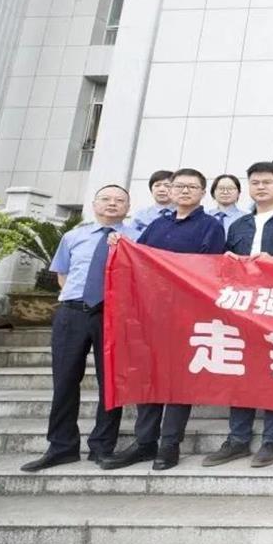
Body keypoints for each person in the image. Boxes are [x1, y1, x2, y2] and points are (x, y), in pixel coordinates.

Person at [101, 168, 226, 471]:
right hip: (150, 314)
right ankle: (144, 443)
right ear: (170, 190)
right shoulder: (157, 224)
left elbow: (210, 270)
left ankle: (170, 444)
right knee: (149, 376)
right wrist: (120, 244)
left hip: (186, 315)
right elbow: (137, 257)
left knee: (179, 382)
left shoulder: (211, 227)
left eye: (192, 187)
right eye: (179, 186)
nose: (185, 191)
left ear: (202, 193)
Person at [203, 162, 273, 469]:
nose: (261, 187)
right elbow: (220, 267)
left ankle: (272, 440)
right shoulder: (238, 225)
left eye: (267, 182)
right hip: (242, 308)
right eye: (255, 182)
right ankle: (237, 439)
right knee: (240, 370)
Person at [21, 185, 137, 472]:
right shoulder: (73, 236)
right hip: (72, 313)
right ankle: (61, 447)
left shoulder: (135, 239)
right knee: (64, 380)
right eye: (106, 199)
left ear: (127, 208)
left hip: (113, 316)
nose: (112, 204)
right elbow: (62, 274)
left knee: (110, 383)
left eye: (119, 200)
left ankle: (102, 447)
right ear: (95, 204)